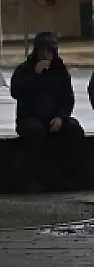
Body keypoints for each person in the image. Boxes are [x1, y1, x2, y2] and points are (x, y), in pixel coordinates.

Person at [10, 31, 82, 192]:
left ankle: (69, 176)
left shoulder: (60, 72)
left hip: (55, 118)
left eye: (48, 52)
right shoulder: (25, 69)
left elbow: (67, 98)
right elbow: (16, 91)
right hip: (29, 118)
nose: (45, 55)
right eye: (42, 51)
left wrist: (61, 117)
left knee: (74, 129)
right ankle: (33, 179)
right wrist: (35, 75)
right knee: (36, 133)